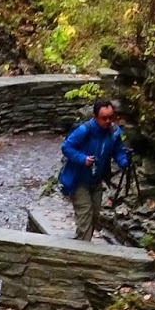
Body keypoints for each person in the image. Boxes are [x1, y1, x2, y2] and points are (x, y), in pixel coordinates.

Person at [60, 97, 128, 241]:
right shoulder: (84, 130)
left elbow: (118, 150)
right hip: (78, 181)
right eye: (104, 118)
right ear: (95, 117)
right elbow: (66, 147)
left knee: (95, 216)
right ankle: (81, 255)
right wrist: (82, 159)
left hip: (96, 181)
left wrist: (124, 161)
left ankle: (81, 245)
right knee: (85, 217)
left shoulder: (113, 132)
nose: (108, 121)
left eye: (111, 117)